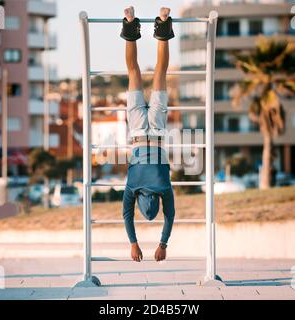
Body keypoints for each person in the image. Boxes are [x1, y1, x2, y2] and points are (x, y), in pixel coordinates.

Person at [121, 6, 176, 262]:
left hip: (157, 129)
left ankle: (163, 24)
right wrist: (134, 244)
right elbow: (126, 216)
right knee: (134, 72)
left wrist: (163, 244)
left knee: (160, 72)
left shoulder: (164, 186)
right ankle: (130, 24)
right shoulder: (133, 186)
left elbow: (170, 215)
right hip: (136, 129)